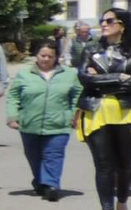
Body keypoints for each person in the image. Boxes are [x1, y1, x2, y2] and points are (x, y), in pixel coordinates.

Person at [76, 7, 131, 210]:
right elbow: (84, 78)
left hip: (126, 111)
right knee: (103, 164)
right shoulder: (91, 48)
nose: (104, 23)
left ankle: (121, 203)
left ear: (123, 25)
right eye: (102, 20)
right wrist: (118, 77)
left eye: (110, 20)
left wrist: (100, 79)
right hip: (96, 111)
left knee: (125, 164)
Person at [6, 38, 82, 201]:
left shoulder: (69, 74)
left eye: (50, 56)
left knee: (53, 154)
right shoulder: (24, 74)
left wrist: (74, 114)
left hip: (59, 124)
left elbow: (78, 95)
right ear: (36, 55)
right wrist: (13, 115)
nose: (46, 59)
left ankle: (51, 185)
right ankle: (41, 181)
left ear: (56, 57)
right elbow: (13, 96)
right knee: (34, 157)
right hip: (30, 124)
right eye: (42, 55)